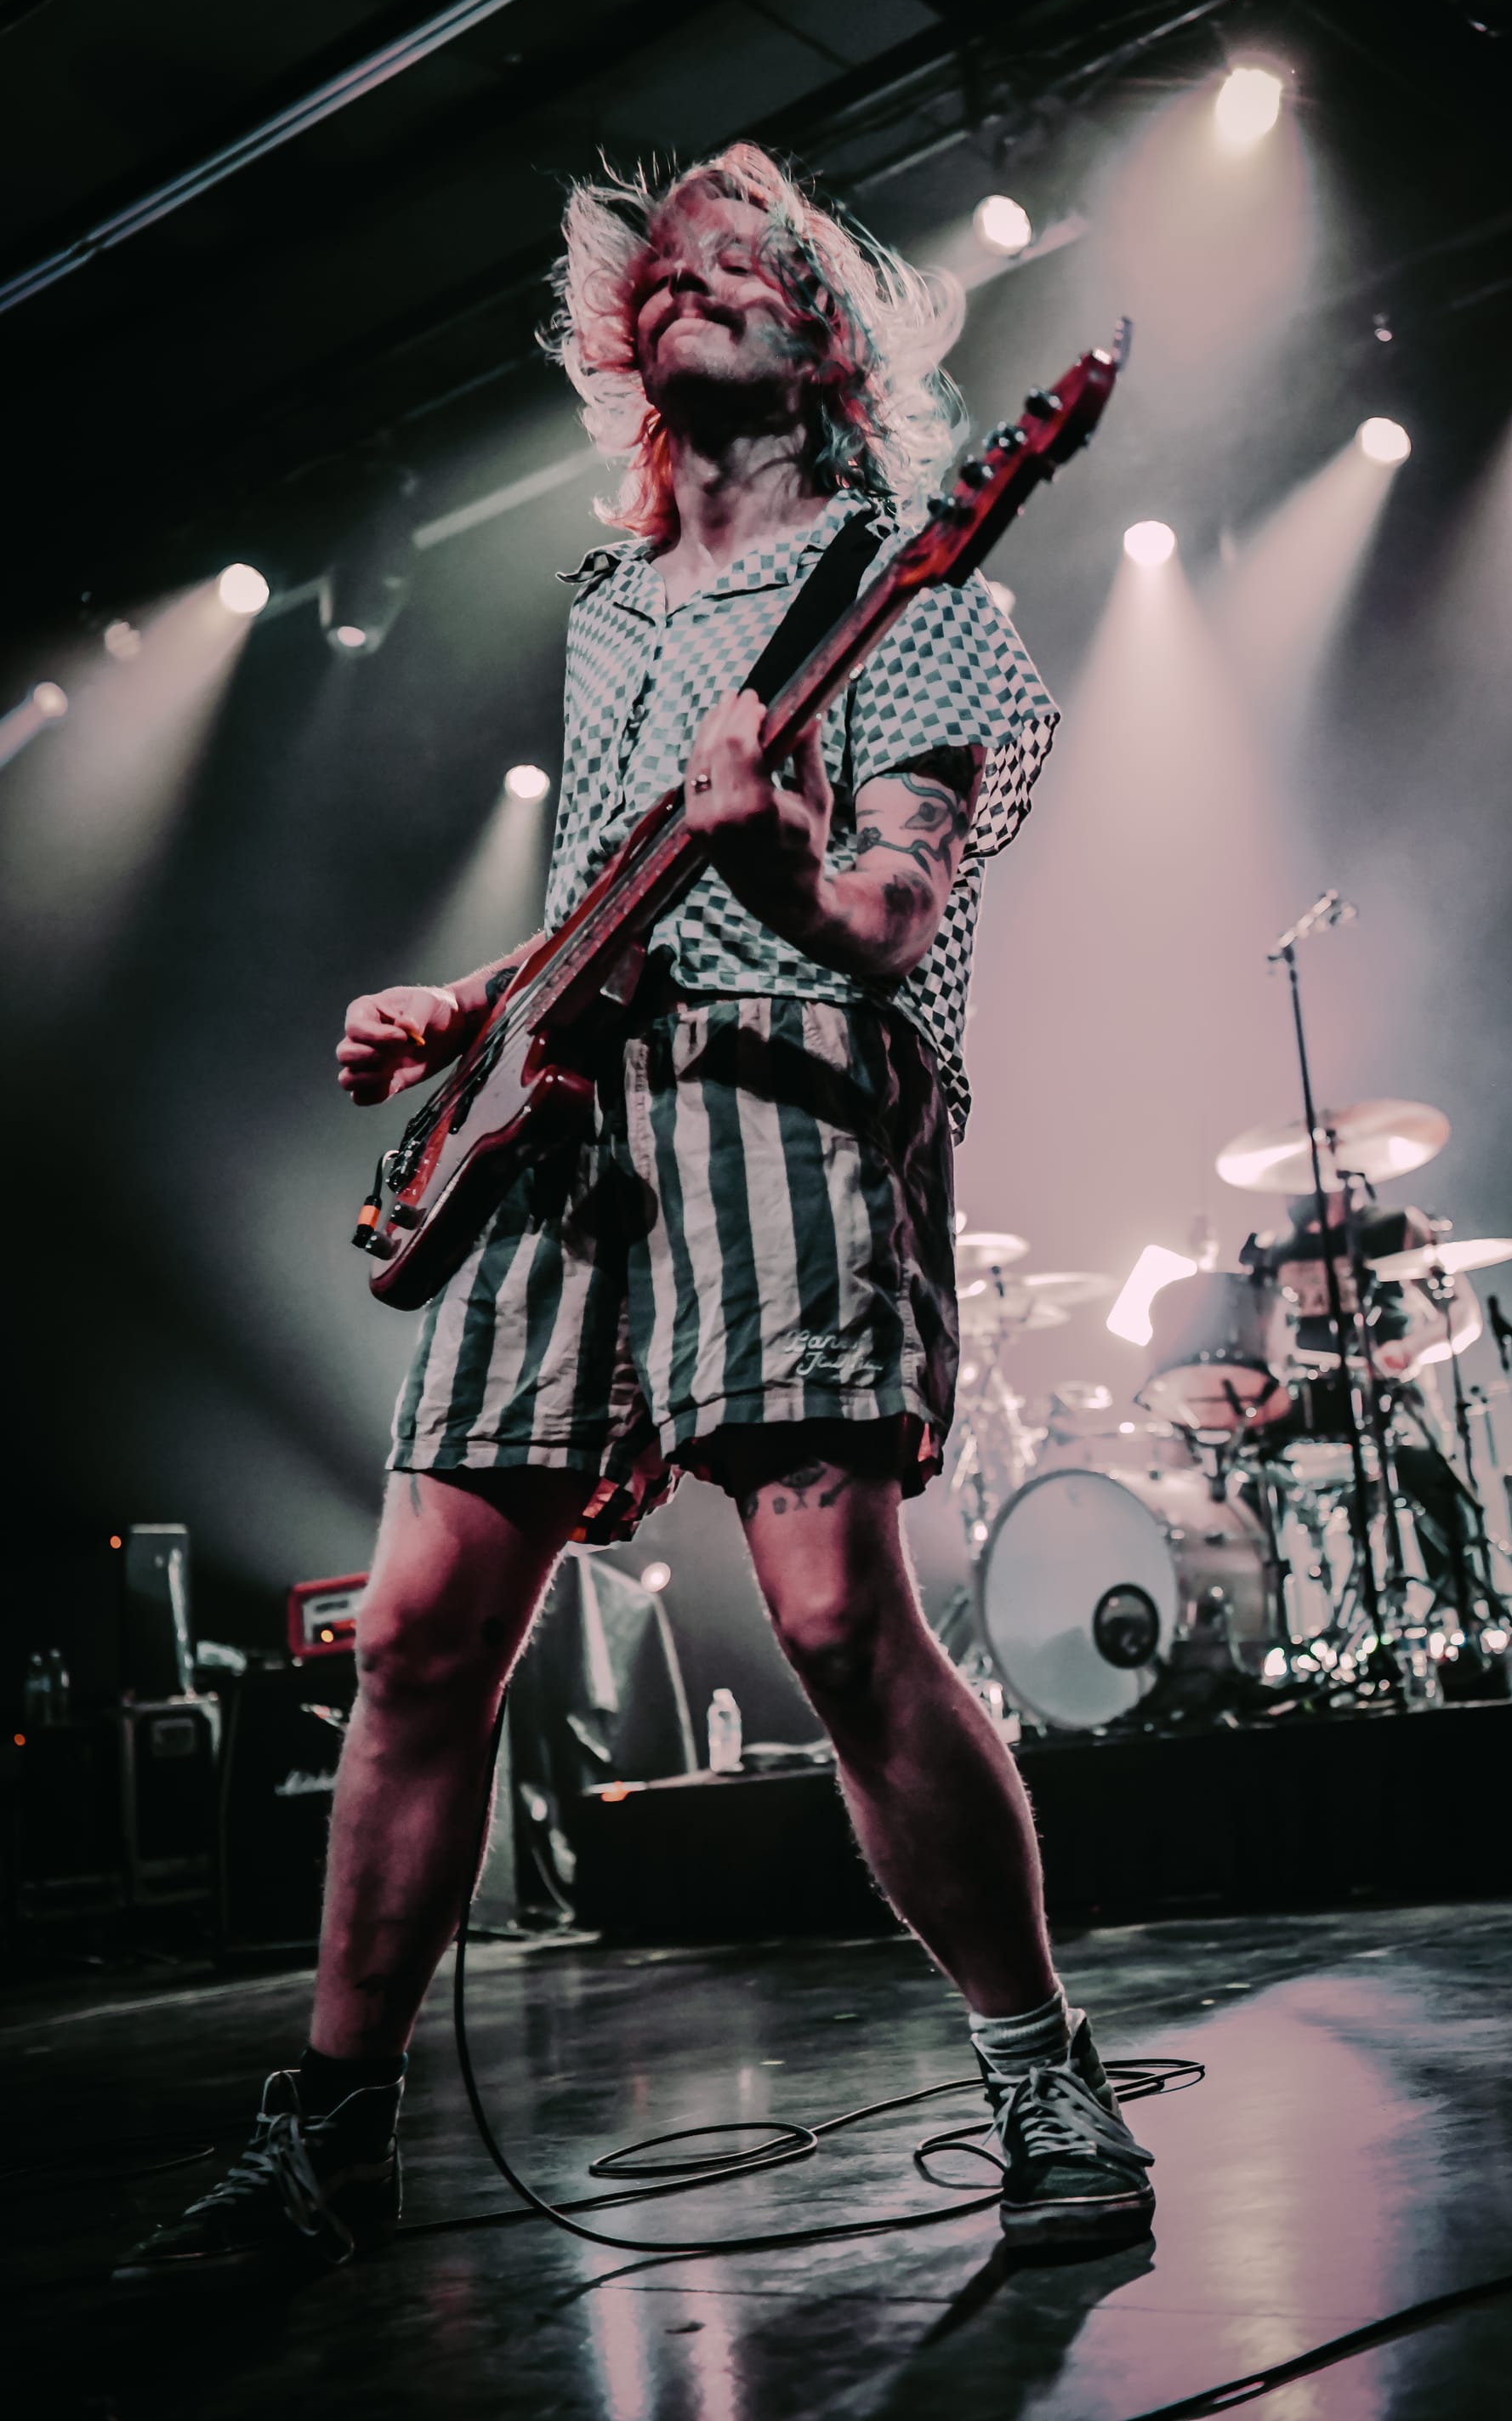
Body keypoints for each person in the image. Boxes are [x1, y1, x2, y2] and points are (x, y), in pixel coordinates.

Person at [117, 144, 1153, 2287]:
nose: (691, 276)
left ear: (828, 334)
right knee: (416, 1634)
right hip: (561, 1120)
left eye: (741, 260)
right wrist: (470, 1008)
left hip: (784, 1096)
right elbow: (614, 888)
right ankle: (329, 2139)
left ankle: (1042, 2073)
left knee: (837, 1625)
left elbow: (882, 907)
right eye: (661, 267)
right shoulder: (606, 613)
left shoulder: (919, 590)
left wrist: (776, 859)